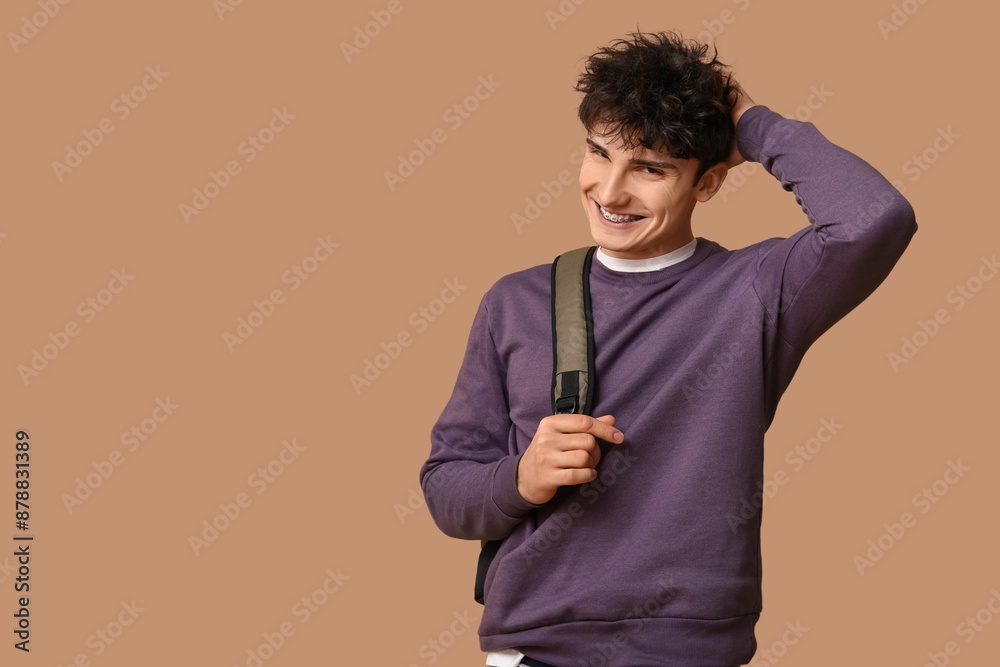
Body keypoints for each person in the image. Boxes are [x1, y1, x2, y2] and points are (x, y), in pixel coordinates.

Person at [419, 30, 916, 667]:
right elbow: (446, 489)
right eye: (599, 154)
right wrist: (521, 478)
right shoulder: (515, 302)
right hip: (535, 649)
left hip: (693, 652)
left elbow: (875, 217)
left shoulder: (758, 290)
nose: (610, 192)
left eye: (650, 169)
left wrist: (751, 121)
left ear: (708, 184)